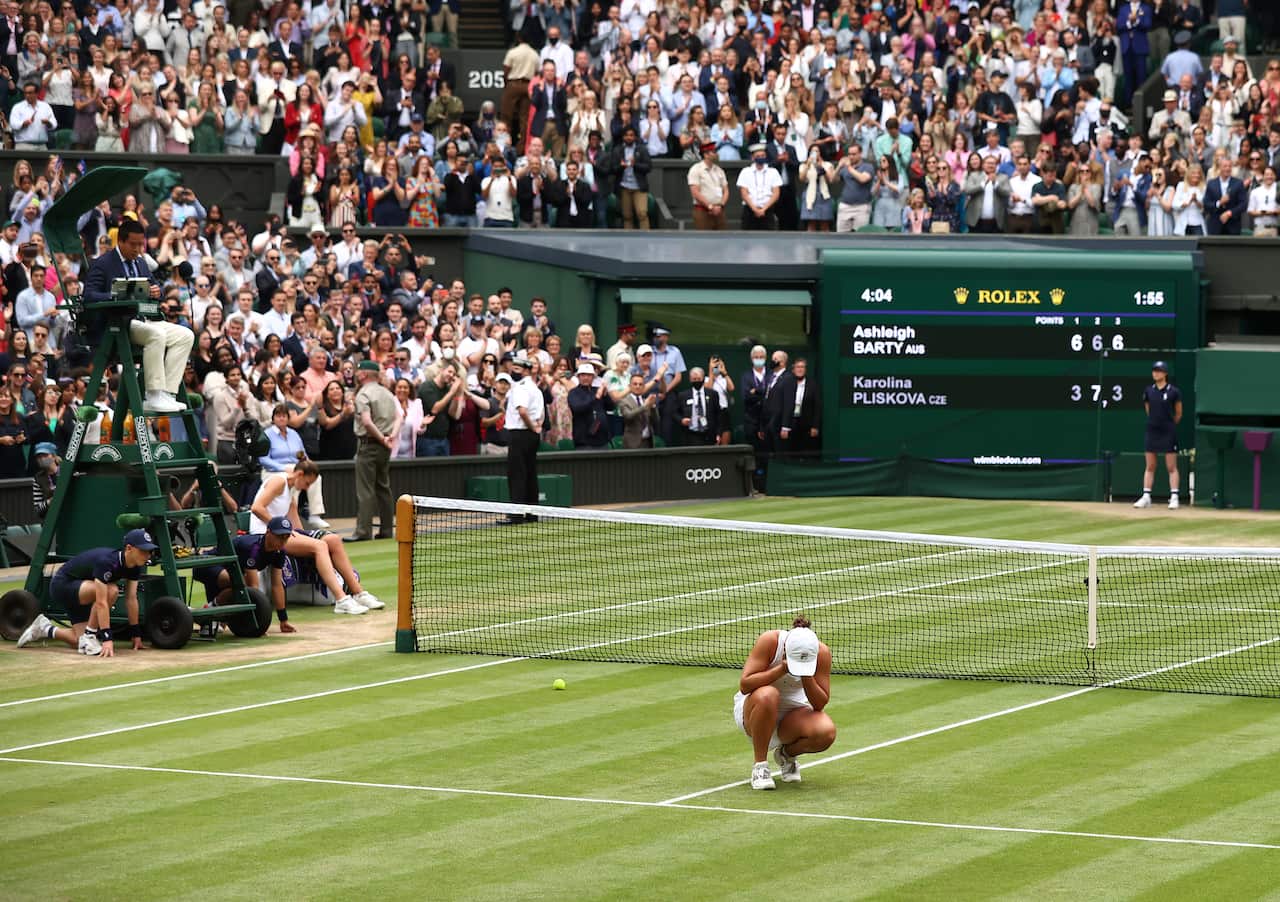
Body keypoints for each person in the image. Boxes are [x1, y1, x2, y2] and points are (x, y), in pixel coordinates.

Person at [82, 220, 193, 413]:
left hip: (144, 319)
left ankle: (168, 393)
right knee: (156, 335)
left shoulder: (141, 262)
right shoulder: (103, 263)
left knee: (185, 336)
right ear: (121, 242)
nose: (137, 249)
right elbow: (89, 295)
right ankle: (154, 394)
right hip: (117, 324)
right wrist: (117, 295)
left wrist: (157, 293)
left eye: (140, 244)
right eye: (133, 244)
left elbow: (154, 288)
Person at [250, 461, 383, 612]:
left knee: (333, 540)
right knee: (320, 546)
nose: (307, 488)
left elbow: (297, 527)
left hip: (282, 534)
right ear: (299, 474)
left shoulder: (290, 490)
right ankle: (341, 600)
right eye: (307, 483)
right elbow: (257, 507)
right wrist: (278, 527)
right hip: (266, 535)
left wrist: (304, 538)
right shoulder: (278, 481)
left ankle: (358, 593)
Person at [733, 615, 836, 791]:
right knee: (768, 695)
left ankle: (786, 755)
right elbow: (745, 685)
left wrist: (806, 673)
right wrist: (781, 669)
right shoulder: (770, 641)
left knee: (826, 732)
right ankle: (760, 767)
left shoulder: (821, 653)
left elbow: (819, 704)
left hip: (794, 716)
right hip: (755, 710)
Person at [17, 528, 156, 657]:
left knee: (78, 641)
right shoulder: (108, 562)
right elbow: (101, 602)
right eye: (143, 550)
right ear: (129, 549)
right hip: (62, 586)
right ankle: (89, 636)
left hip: (84, 590)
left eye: (149, 551)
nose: (147, 555)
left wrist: (136, 634)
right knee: (111, 590)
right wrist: (107, 638)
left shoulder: (135, 567)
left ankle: (44, 628)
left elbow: (131, 599)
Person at [193, 516, 297, 633]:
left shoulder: (280, 552)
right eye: (279, 537)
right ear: (268, 533)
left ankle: (210, 614)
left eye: (286, 537)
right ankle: (211, 608)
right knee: (242, 584)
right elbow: (253, 588)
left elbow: (277, 585)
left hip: (228, 572)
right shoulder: (253, 548)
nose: (283, 541)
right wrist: (258, 624)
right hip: (206, 564)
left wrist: (283, 620)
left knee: (218, 628)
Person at [350, 359, 399, 541]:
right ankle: (386, 530)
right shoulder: (387, 393)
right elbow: (398, 417)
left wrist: (380, 438)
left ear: (363, 374)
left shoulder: (363, 394)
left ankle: (363, 531)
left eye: (358, 372)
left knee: (365, 490)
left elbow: (367, 422)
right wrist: (389, 438)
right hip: (385, 445)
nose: (356, 374)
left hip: (369, 444)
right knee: (383, 487)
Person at [1135, 361, 1183, 511]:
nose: (1155, 373)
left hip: (1168, 431)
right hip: (1152, 431)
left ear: (1165, 373)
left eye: (1159, 370)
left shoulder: (1174, 392)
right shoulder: (1148, 391)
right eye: (1154, 370)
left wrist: (1168, 424)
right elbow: (1148, 410)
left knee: (1171, 466)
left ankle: (1174, 497)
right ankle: (1146, 496)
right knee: (1150, 466)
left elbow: (1179, 413)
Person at [504, 355, 544, 518]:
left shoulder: (521, 387)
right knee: (529, 473)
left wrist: (531, 426)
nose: (514, 371)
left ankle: (516, 515)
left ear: (526, 370)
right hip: (531, 435)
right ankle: (532, 513)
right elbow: (540, 415)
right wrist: (535, 427)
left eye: (517, 369)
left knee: (517, 474)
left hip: (520, 434)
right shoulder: (535, 388)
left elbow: (522, 411)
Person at [773, 358, 820, 460]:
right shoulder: (787, 383)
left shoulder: (812, 384)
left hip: (805, 425)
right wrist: (784, 426)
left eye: (802, 367)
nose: (800, 369)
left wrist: (815, 426)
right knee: (788, 452)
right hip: (790, 423)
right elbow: (781, 405)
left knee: (805, 453)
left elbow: (817, 406)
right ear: (793, 369)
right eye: (798, 367)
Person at [567, 361, 611, 448]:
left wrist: (606, 395)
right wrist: (596, 397)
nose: (586, 378)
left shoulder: (597, 390)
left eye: (589, 375)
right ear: (578, 377)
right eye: (583, 375)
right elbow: (577, 408)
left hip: (602, 439)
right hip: (584, 440)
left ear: (593, 377)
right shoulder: (574, 392)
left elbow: (611, 407)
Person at [677, 366, 720, 445]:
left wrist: (718, 433)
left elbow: (718, 415)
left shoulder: (712, 394)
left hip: (709, 434)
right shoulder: (683, 395)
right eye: (694, 379)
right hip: (690, 434)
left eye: (699, 379)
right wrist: (681, 420)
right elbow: (675, 413)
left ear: (703, 379)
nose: (696, 381)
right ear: (690, 379)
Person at [617, 372, 659, 448]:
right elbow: (628, 416)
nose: (638, 386)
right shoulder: (624, 401)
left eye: (640, 384)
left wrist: (652, 407)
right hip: (632, 443)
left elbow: (655, 420)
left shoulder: (645, 400)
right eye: (635, 384)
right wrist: (644, 406)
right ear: (629, 386)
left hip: (648, 442)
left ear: (643, 387)